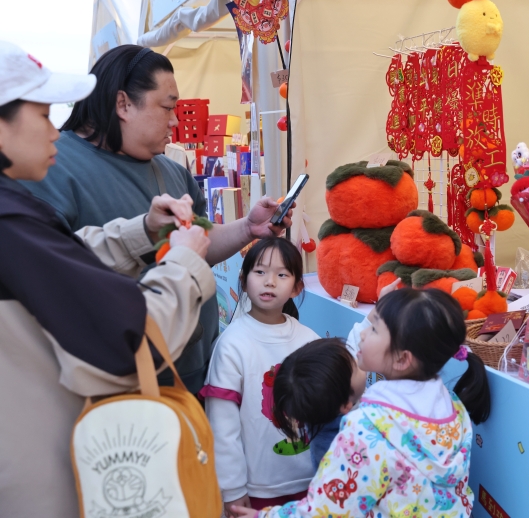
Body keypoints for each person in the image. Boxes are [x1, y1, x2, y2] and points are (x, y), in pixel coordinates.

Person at [0, 41, 215, 517]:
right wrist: (183, 264)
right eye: (42, 115)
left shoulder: (16, 215)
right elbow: (131, 339)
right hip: (39, 479)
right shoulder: (11, 222)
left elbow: (64, 257)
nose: (54, 131)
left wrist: (143, 230)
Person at [21, 44, 293, 394]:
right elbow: (59, 278)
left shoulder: (171, 170)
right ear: (123, 104)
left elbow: (199, 243)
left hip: (198, 370)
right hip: (125, 383)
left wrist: (247, 228)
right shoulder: (53, 168)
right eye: (168, 107)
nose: (176, 121)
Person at [232, 288, 491, 518]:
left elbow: (328, 509)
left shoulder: (366, 429)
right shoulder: (453, 407)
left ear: (402, 359)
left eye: (374, 329)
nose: (364, 333)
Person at [199, 237, 320, 517]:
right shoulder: (232, 344)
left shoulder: (309, 340)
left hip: (312, 481)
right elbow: (222, 425)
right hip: (255, 488)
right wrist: (232, 488)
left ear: (297, 287)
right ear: (243, 281)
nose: (270, 282)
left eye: (282, 274)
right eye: (260, 272)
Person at [271, 338, 367, 469]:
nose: (357, 360)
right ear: (345, 405)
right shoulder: (349, 445)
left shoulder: (320, 413)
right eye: (355, 368)